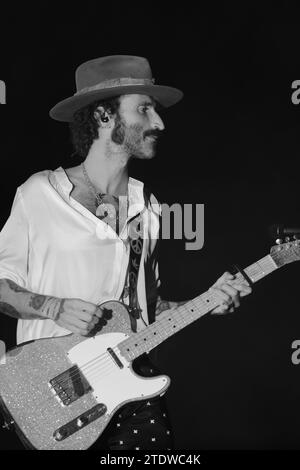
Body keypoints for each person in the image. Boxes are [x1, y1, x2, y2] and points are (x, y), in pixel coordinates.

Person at [0, 55, 251, 450]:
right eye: (145, 109)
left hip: (131, 393)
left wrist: (205, 303)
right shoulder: (39, 194)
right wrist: (53, 307)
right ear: (104, 115)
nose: (159, 123)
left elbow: (143, 311)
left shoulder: (148, 208)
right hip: (52, 399)